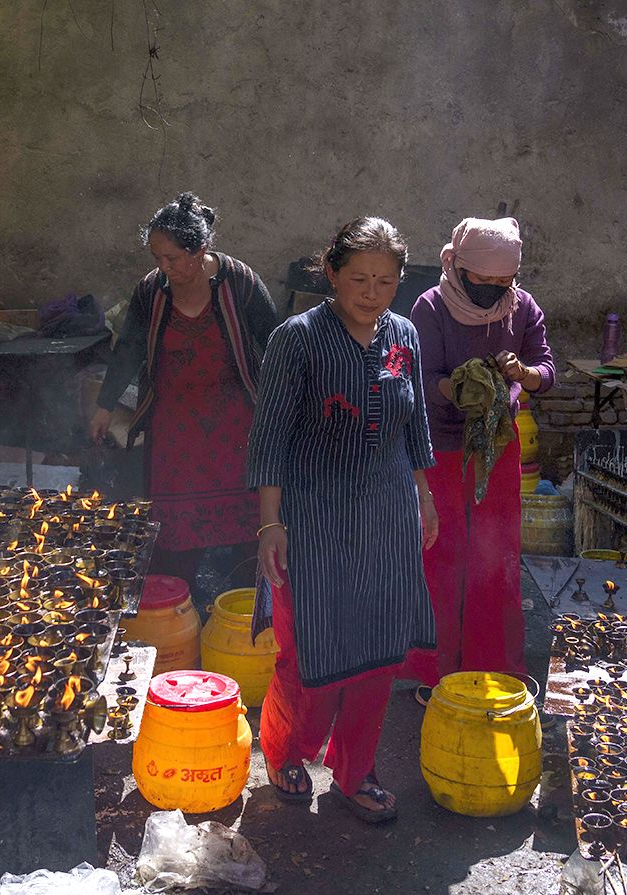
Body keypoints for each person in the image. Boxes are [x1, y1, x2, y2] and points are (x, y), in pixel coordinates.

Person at [246, 216, 438, 824]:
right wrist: (270, 525)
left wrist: (424, 497)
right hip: (314, 518)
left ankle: (356, 770)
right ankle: (285, 752)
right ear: (330, 273)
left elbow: (414, 427)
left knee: (380, 654)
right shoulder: (297, 339)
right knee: (308, 652)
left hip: (386, 517)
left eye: (385, 280)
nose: (371, 292)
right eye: (358, 278)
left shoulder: (403, 334)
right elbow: (269, 438)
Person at [92, 193, 279, 593]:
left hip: (234, 425)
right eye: (157, 257)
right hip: (174, 426)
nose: (164, 267)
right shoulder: (152, 291)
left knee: (245, 522)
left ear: (201, 251)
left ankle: (247, 599)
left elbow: (276, 343)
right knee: (173, 525)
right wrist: (104, 406)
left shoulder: (239, 282)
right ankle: (176, 598)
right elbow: (128, 347)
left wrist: (286, 408)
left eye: (173, 258)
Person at [403, 217, 556, 704]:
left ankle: (495, 666)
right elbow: (414, 377)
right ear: (457, 266)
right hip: (442, 448)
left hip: (497, 448)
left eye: (501, 283)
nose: (492, 291)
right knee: (441, 556)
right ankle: (437, 671)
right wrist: (455, 388)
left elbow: (546, 371)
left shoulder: (522, 308)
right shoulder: (430, 308)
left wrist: (522, 373)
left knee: (495, 557)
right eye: (481, 282)